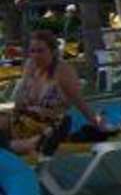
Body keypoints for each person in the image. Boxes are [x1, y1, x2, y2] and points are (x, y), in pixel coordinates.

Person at [7, 31, 108, 160]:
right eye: (32, 51)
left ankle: (27, 145)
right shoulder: (30, 66)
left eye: (40, 51)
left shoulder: (62, 71)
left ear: (53, 51)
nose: (36, 55)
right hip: (23, 123)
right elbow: (19, 101)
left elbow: (80, 103)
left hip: (49, 127)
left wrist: (98, 123)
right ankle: (24, 145)